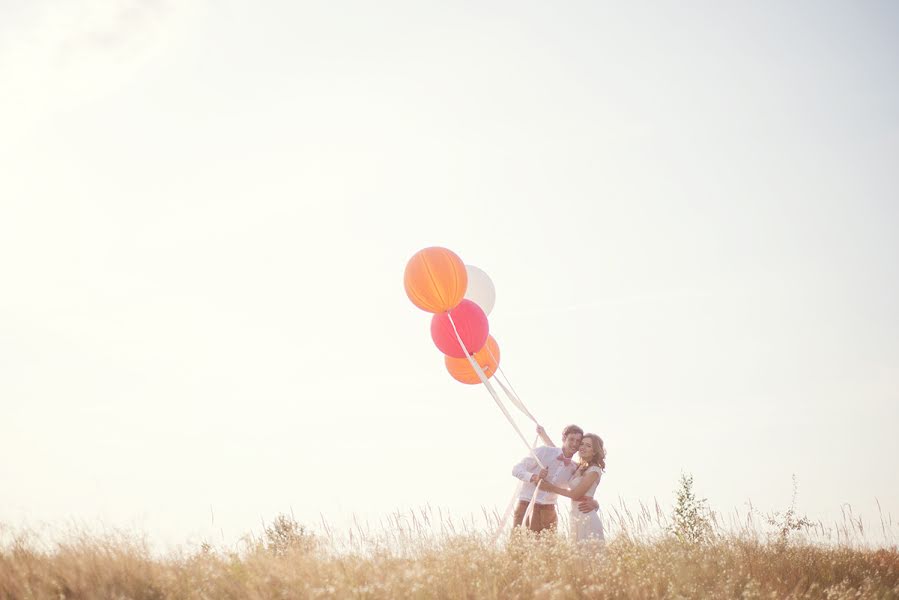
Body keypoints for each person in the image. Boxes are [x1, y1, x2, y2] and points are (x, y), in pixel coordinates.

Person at [510, 425, 599, 533]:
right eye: (571, 439)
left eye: (578, 441)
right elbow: (516, 469)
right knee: (520, 546)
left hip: (549, 510)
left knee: (549, 548)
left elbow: (581, 489)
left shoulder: (574, 468)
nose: (575, 444)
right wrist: (534, 477)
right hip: (527, 505)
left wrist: (594, 503)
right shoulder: (543, 451)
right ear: (563, 439)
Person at [538, 432, 606, 542]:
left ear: (594, 451)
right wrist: (543, 434)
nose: (583, 447)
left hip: (586, 516)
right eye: (582, 444)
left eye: (588, 446)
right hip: (575, 514)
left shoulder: (594, 470)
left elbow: (575, 494)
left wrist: (550, 487)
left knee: (588, 553)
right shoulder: (579, 467)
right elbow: (559, 453)